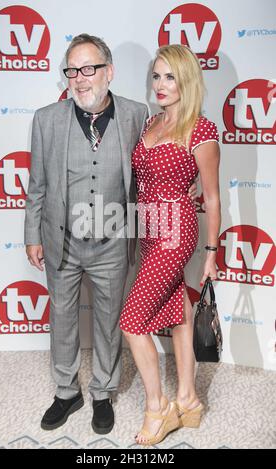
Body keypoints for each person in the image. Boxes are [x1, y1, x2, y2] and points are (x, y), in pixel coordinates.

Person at [25, 34, 196, 435]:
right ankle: (67, 392)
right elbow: (37, 186)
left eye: (89, 69)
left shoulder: (139, 115)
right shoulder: (46, 118)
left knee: (107, 321)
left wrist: (190, 182)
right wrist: (33, 234)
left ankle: (102, 392)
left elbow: (169, 150)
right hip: (61, 239)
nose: (80, 79)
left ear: (109, 72)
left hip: (114, 241)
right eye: (72, 70)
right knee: (63, 318)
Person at [120, 44, 221, 446]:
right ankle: (189, 400)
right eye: (156, 76)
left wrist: (211, 254)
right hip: (148, 228)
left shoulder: (201, 129)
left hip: (176, 231)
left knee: (132, 322)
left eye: (169, 77)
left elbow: (212, 198)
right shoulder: (151, 123)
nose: (160, 85)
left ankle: (157, 406)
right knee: (178, 313)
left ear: (187, 81)